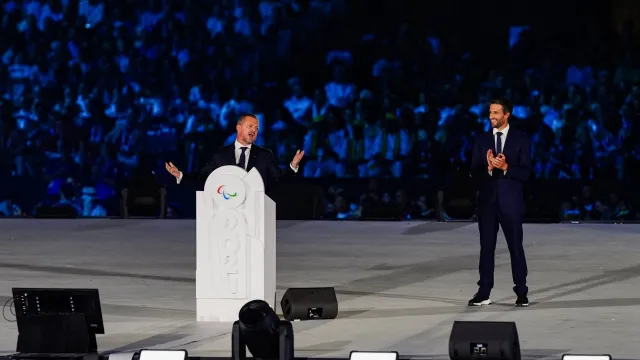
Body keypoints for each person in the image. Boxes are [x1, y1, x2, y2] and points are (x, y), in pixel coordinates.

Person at [469, 97, 531, 307]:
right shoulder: (481, 140)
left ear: (507, 114)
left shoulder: (521, 139)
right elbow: (473, 174)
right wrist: (487, 168)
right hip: (487, 203)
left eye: (495, 113)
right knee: (486, 248)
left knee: (515, 247)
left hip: (511, 202)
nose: (491, 117)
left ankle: (521, 292)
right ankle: (484, 292)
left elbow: (526, 173)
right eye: (489, 113)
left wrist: (505, 168)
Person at [165, 113, 304, 196]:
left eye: (256, 128)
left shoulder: (264, 155)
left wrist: (292, 167)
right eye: (250, 126)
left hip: (255, 211)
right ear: (239, 128)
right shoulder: (221, 155)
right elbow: (203, 176)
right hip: (226, 209)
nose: (254, 130)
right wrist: (181, 175)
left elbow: (278, 178)